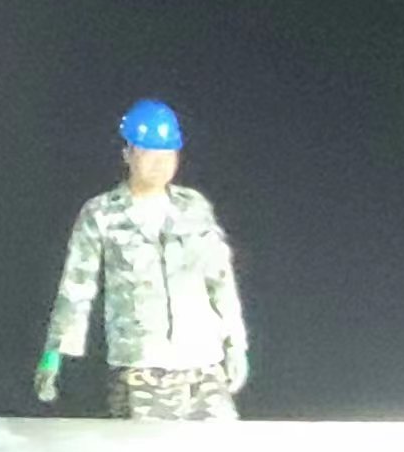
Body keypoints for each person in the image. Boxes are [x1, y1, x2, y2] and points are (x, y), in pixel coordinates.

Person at [36, 99, 250, 420]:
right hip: (140, 370)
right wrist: (54, 352)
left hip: (203, 365)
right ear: (128, 154)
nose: (160, 163)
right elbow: (77, 287)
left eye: (169, 153)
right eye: (149, 153)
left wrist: (235, 343)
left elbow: (220, 278)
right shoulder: (102, 213)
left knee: (217, 451)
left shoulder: (194, 208)